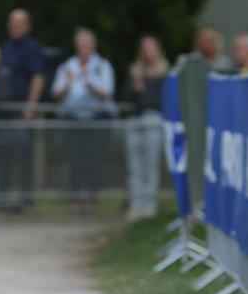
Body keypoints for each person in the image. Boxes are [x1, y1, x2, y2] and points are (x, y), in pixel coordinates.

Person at [51, 27, 116, 209]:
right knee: (73, 160)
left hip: (97, 120)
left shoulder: (103, 66)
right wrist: (69, 84)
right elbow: (56, 93)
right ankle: (75, 198)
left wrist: (90, 84)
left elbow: (107, 92)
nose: (84, 49)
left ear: (93, 46)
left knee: (94, 160)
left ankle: (91, 198)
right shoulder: (67, 67)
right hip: (72, 120)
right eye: (81, 45)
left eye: (87, 45)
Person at [123, 35, 169, 221]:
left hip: (154, 121)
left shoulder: (165, 73)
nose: (148, 52)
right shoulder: (134, 72)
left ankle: (149, 204)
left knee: (150, 166)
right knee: (135, 167)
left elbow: (160, 100)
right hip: (134, 121)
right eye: (145, 48)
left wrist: (144, 92)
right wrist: (136, 89)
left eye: (152, 48)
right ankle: (136, 204)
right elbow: (126, 96)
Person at [0, 8, 44, 119]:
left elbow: (38, 77)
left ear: (27, 26)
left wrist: (30, 107)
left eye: (18, 23)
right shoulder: (6, 46)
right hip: (4, 107)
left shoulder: (32, 48)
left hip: (22, 107)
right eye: (12, 22)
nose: (14, 26)